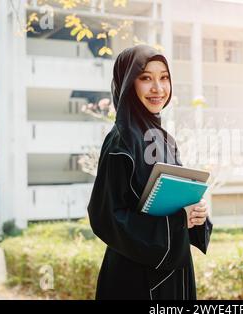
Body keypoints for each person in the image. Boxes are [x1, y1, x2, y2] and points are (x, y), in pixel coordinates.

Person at [87, 44, 213, 300]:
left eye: (164, 77)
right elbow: (106, 217)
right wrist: (179, 221)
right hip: (135, 279)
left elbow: (173, 197)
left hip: (173, 268)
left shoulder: (164, 139)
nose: (158, 88)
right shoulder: (120, 142)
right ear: (127, 84)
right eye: (146, 78)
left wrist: (196, 214)